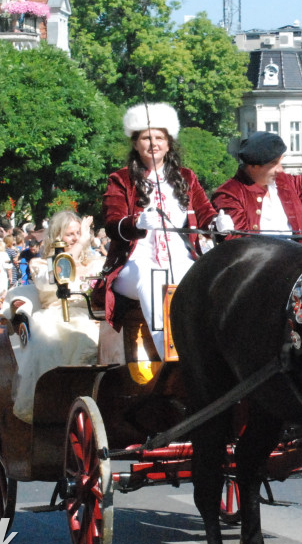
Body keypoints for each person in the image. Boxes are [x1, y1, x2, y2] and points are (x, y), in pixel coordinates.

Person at [97, 102, 231, 377]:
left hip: (181, 257)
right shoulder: (120, 180)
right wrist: (136, 224)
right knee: (153, 280)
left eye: (160, 137)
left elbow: (205, 214)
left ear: (169, 144)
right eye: (146, 137)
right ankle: (173, 358)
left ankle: (216, 352)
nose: (153, 143)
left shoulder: (186, 178)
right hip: (133, 264)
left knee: (210, 281)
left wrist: (218, 222)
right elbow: (112, 225)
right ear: (136, 143)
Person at [2, 211, 115, 422]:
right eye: (70, 234)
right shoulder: (42, 265)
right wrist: (80, 244)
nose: (75, 238)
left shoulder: (97, 263)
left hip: (95, 315)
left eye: (78, 233)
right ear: (56, 237)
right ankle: (68, 403)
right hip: (59, 315)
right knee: (80, 339)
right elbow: (54, 279)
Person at [213, 116, 302, 248]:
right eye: (274, 164)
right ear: (253, 166)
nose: (280, 170)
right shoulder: (228, 195)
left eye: (280, 162)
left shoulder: (283, 182)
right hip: (268, 269)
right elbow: (241, 246)